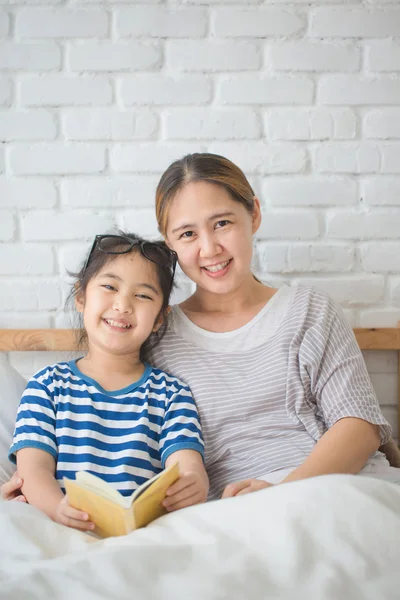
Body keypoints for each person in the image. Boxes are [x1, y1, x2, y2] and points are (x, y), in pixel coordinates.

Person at [2, 153, 399, 504]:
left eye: (222, 223)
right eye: (188, 233)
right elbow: (105, 417)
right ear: (170, 246)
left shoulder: (309, 309)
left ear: (254, 215)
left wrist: (283, 493)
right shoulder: (153, 329)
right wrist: (37, 488)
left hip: (336, 487)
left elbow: (359, 426)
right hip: (233, 509)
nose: (209, 249)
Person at [6, 232, 208, 530]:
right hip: (63, 526)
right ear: (81, 297)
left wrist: (194, 482)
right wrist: (57, 509)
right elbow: (33, 470)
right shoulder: (47, 386)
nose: (122, 305)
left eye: (142, 295)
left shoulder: (171, 394)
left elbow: (188, 464)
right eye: (110, 287)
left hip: (141, 533)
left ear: (159, 319)